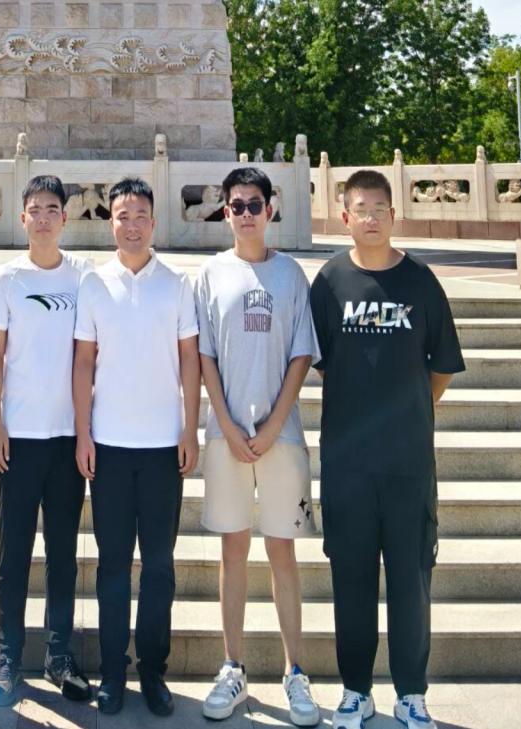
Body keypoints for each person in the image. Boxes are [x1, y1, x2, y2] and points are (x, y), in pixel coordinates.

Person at [310, 170, 465, 729]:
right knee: (350, 581)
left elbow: (440, 367)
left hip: (407, 466)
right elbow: (321, 361)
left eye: (380, 208)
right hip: (348, 465)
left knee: (410, 583)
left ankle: (411, 694)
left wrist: (406, 411)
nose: (370, 217)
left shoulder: (421, 282)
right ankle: (355, 691)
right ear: (345, 217)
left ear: (393, 215)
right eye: (361, 208)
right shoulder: (329, 283)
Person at [194, 167, 322, 726]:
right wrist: (225, 423)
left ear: (270, 209)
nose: (246, 213)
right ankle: (233, 666)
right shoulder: (209, 275)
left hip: (282, 436)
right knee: (233, 551)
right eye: (236, 205)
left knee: (283, 552)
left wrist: (272, 426)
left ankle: (296, 671)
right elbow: (204, 356)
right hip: (226, 435)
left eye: (254, 204)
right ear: (225, 212)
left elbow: (302, 354)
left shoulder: (291, 275)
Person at [72, 177, 201, 717]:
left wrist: (190, 429)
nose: (131, 225)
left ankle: (152, 670)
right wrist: (83, 433)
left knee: (159, 568)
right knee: (111, 566)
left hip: (162, 448)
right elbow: (83, 362)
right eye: (122, 216)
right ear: (111, 222)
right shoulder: (94, 284)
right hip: (109, 446)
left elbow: (190, 359)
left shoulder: (177, 284)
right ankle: (111, 671)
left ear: (154, 222)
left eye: (140, 216)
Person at [0, 175, 93, 706]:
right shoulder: (6, 280)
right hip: (20, 438)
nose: (44, 218)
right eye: (35, 209)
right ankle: (8, 654)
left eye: (53, 209)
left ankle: (58, 653)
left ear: (65, 219)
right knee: (14, 553)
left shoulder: (83, 278)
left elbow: (89, 357)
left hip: (68, 438)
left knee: (63, 553)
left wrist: (86, 432)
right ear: (22, 217)